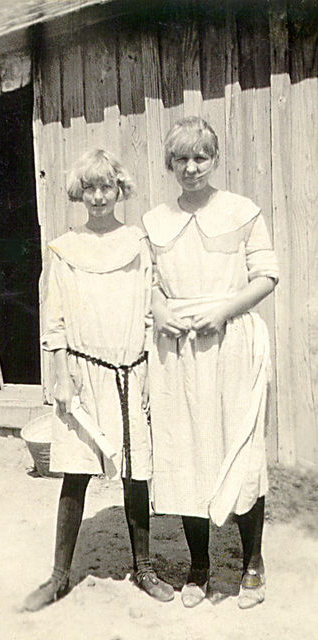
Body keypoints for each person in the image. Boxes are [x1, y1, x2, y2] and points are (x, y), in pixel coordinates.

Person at [23, 148, 174, 611]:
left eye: (106, 186)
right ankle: (58, 575)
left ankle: (144, 567)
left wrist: (150, 368)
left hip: (131, 371)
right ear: (79, 193)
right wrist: (61, 377)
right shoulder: (64, 249)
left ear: (119, 189)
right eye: (89, 188)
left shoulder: (138, 243)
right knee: (75, 472)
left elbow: (151, 313)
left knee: (135, 471)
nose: (98, 196)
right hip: (83, 376)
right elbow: (55, 324)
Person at [142, 117, 279, 610]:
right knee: (186, 452)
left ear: (214, 159)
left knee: (237, 449)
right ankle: (200, 565)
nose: (191, 167)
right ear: (170, 163)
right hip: (176, 352)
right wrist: (158, 310)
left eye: (200, 157)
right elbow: (148, 281)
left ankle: (251, 564)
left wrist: (223, 310)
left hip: (230, 345)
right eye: (181, 158)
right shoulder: (155, 221)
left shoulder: (242, 211)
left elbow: (266, 275)